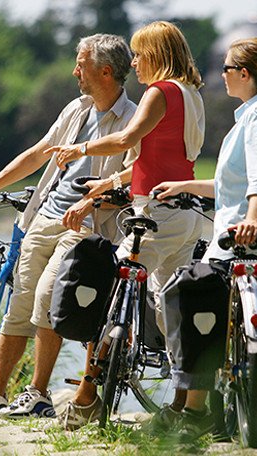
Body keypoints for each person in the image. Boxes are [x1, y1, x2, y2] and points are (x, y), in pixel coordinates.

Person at [0, 33, 137, 420]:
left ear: (105, 71)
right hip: (44, 216)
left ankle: (37, 393)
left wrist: (94, 201)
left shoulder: (133, 121)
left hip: (86, 226)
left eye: (81, 65)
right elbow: (38, 154)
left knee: (46, 299)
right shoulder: (76, 109)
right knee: (18, 306)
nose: (75, 72)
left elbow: (133, 176)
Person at [45, 21, 205, 430]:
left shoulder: (160, 91)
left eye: (139, 53)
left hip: (153, 216)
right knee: (173, 309)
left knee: (107, 291)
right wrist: (110, 182)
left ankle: (85, 398)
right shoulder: (192, 95)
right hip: (185, 215)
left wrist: (78, 148)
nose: (133, 62)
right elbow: (156, 160)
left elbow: (125, 139)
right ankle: (186, 406)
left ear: (156, 54)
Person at [153, 37, 257, 442]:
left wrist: (252, 219)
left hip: (246, 236)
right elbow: (233, 183)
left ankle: (196, 411)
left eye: (225, 69)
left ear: (244, 74)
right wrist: (184, 184)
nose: (219, 76)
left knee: (201, 307)